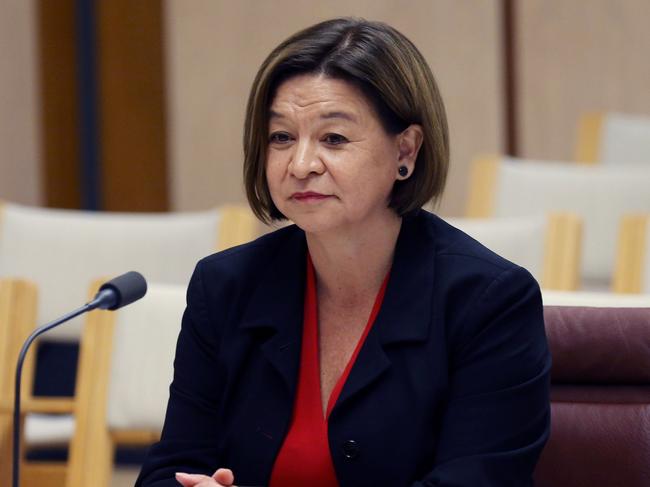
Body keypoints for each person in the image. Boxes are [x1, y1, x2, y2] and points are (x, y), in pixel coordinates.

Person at [136, 17, 550, 487]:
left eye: (333, 138)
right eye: (281, 137)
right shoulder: (226, 286)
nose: (301, 164)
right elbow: (169, 468)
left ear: (406, 151)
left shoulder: (489, 301)